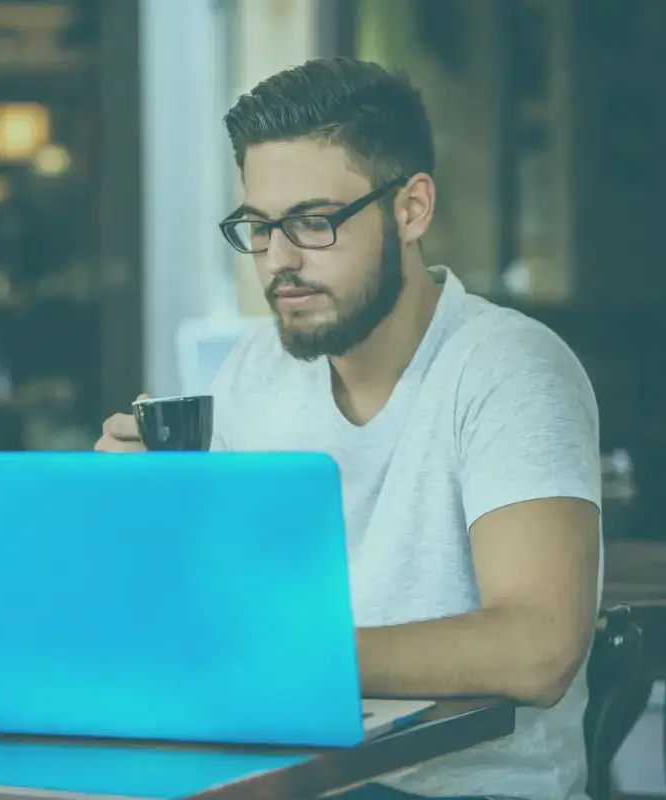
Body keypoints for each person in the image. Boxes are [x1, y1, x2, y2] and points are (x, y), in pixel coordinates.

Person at [97, 58, 601, 800]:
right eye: (260, 227)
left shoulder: (508, 369)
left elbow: (540, 649)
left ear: (411, 209)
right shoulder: (255, 370)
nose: (279, 261)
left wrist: (294, 655)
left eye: (313, 222)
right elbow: (218, 611)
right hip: (283, 778)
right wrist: (146, 516)